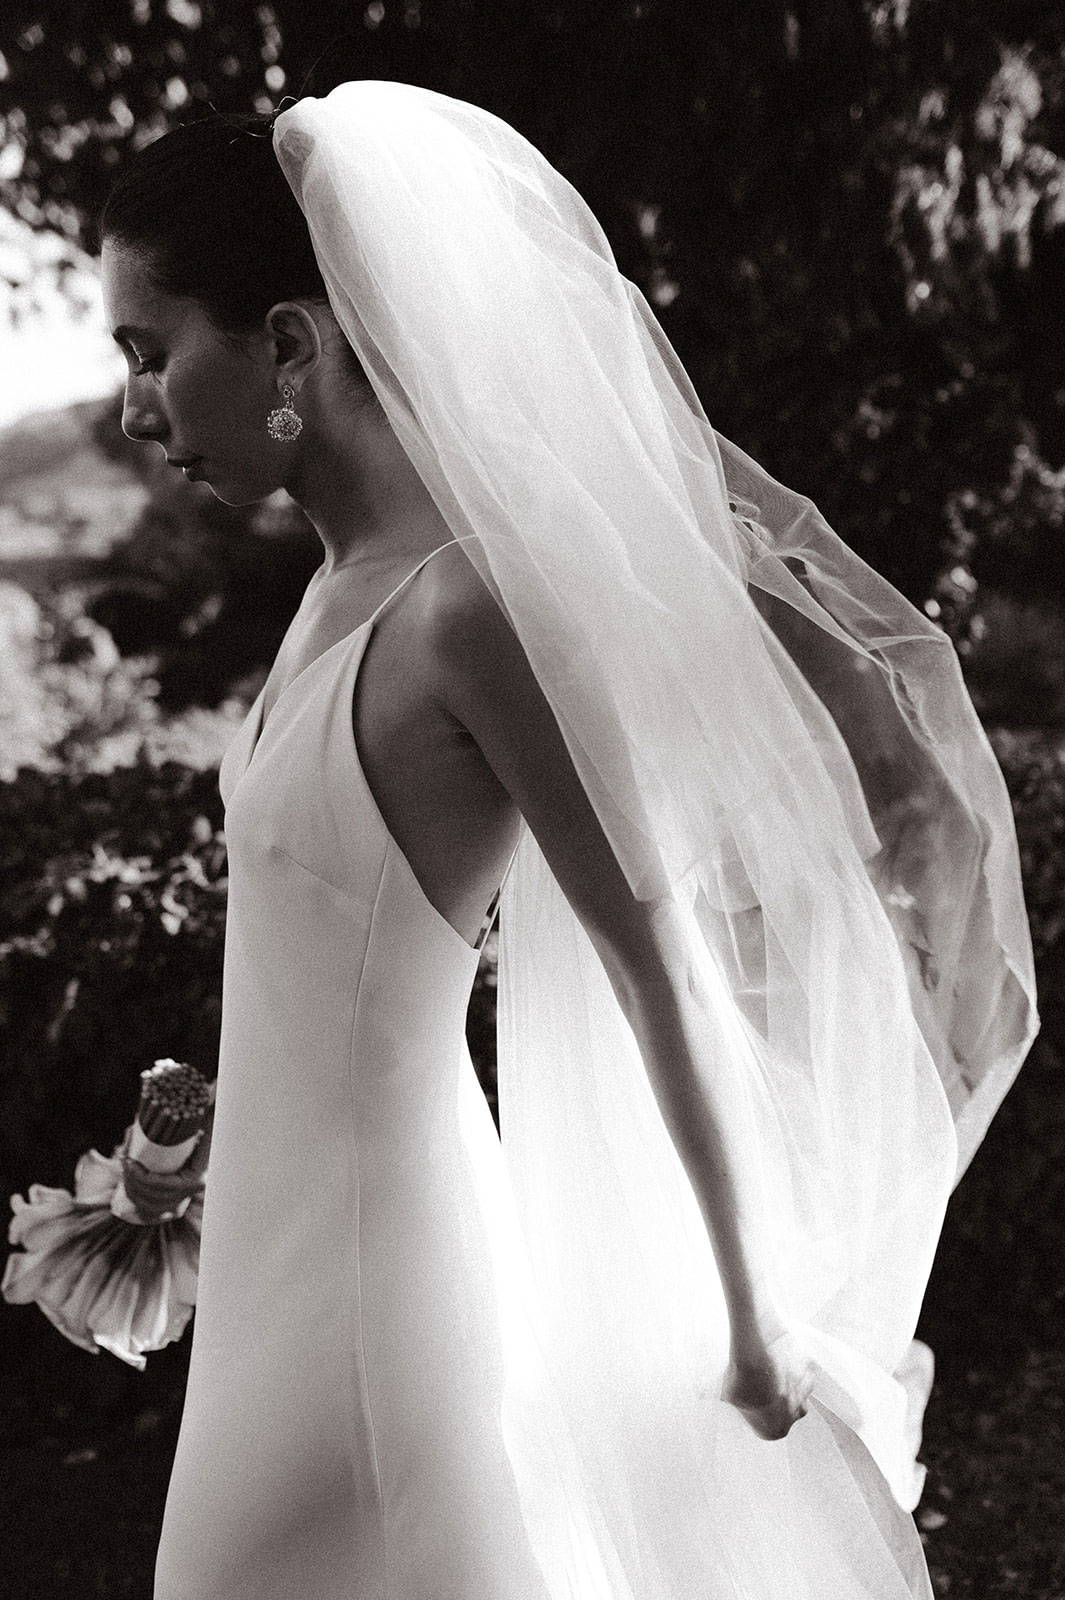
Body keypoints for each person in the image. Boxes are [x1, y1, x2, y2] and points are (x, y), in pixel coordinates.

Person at [100, 81, 1037, 1600]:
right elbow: (338, 935)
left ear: (284, 342)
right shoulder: (333, 590)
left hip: (374, 1280)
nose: (134, 406)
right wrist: (197, 1139)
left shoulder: (463, 614)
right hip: (292, 1244)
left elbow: (657, 953)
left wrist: (744, 1316)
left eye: (152, 350)